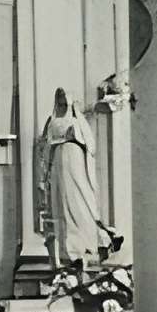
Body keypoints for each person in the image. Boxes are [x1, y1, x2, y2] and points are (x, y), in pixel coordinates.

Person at [36, 87, 109, 269]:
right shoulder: (51, 121)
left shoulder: (78, 120)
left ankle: (86, 247)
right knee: (61, 203)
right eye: (59, 102)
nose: (62, 105)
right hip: (59, 165)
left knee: (80, 201)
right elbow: (44, 146)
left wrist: (74, 137)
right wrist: (45, 172)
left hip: (75, 162)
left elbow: (90, 146)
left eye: (65, 102)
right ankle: (65, 252)